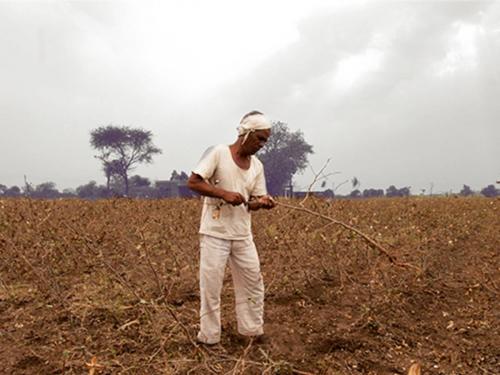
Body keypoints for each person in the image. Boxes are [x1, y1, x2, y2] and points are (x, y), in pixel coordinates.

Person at [187, 110, 276, 345]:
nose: (262, 144)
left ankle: (251, 331)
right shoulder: (218, 153)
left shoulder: (257, 165)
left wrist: (263, 203)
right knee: (211, 288)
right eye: (260, 138)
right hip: (215, 232)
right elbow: (193, 181)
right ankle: (208, 338)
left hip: (242, 233)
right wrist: (223, 193)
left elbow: (255, 199)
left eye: (265, 140)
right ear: (245, 134)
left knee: (253, 282)